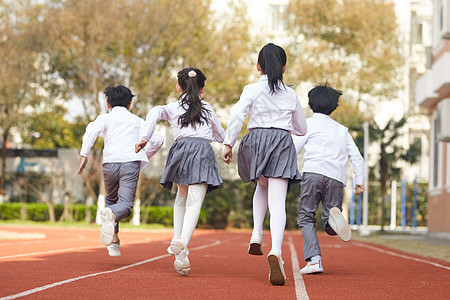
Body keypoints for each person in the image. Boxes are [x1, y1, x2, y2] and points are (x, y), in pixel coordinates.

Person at [221, 43, 307, 286]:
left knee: (262, 184)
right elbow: (301, 128)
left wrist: (228, 144)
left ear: (258, 67)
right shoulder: (290, 94)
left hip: (256, 141)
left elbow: (238, 115)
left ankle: (256, 232)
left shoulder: (251, 89)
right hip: (280, 141)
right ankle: (276, 251)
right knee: (277, 200)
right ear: (284, 67)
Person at [135, 67, 225, 276]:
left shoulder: (173, 107)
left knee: (181, 195)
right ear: (202, 88)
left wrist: (144, 137)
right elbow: (220, 134)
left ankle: (180, 254)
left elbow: (155, 111)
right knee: (195, 198)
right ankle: (182, 242)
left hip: (180, 150)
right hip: (201, 150)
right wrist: (227, 144)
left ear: (178, 87)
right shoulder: (207, 108)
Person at [77, 85, 164, 257]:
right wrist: (144, 155)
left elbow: (91, 131)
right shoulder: (137, 121)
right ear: (130, 104)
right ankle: (114, 237)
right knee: (125, 205)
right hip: (130, 163)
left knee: (111, 200)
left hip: (109, 164)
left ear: (108, 104)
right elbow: (158, 139)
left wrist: (84, 154)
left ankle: (114, 241)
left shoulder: (105, 118)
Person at [292, 84, 364, 275]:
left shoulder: (307, 124)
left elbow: (293, 148)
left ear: (310, 105)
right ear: (334, 107)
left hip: (313, 173)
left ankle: (314, 260)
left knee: (306, 216)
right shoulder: (342, 130)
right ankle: (333, 222)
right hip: (336, 178)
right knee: (330, 213)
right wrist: (360, 181)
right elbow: (356, 156)